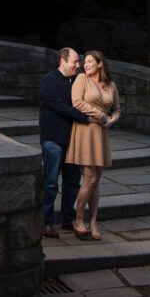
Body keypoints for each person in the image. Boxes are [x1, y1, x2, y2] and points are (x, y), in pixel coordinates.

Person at [39, 47, 94, 239]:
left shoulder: (76, 82)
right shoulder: (50, 80)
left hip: (73, 140)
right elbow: (58, 106)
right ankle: (46, 222)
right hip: (53, 139)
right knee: (51, 182)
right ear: (63, 61)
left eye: (79, 63)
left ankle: (68, 219)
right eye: (75, 62)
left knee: (72, 183)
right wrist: (84, 116)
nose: (78, 66)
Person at [66, 50, 119, 241]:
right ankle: (78, 220)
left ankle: (93, 222)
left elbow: (117, 110)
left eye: (89, 62)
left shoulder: (111, 85)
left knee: (96, 180)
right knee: (88, 178)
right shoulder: (81, 79)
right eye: (84, 62)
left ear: (100, 64)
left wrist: (111, 121)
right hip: (84, 131)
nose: (85, 65)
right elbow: (76, 103)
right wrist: (100, 115)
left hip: (101, 133)